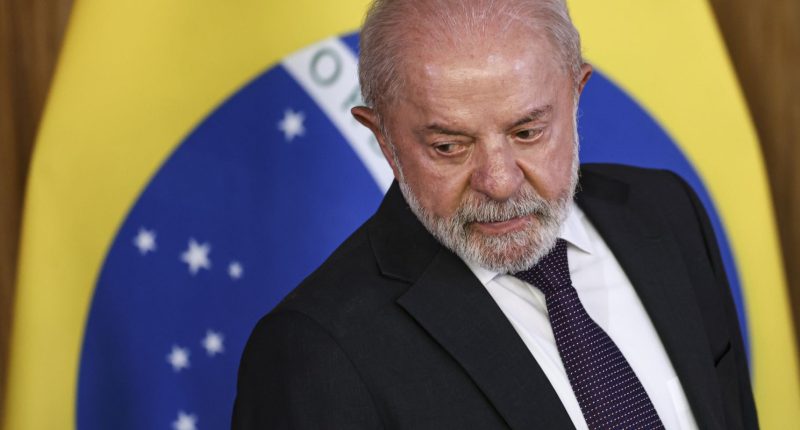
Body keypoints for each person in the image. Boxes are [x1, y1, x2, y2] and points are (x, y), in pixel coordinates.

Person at [232, 0, 758, 428]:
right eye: (449, 147)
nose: (500, 182)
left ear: (576, 94)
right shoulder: (314, 352)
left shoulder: (666, 211)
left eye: (527, 132)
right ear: (383, 138)